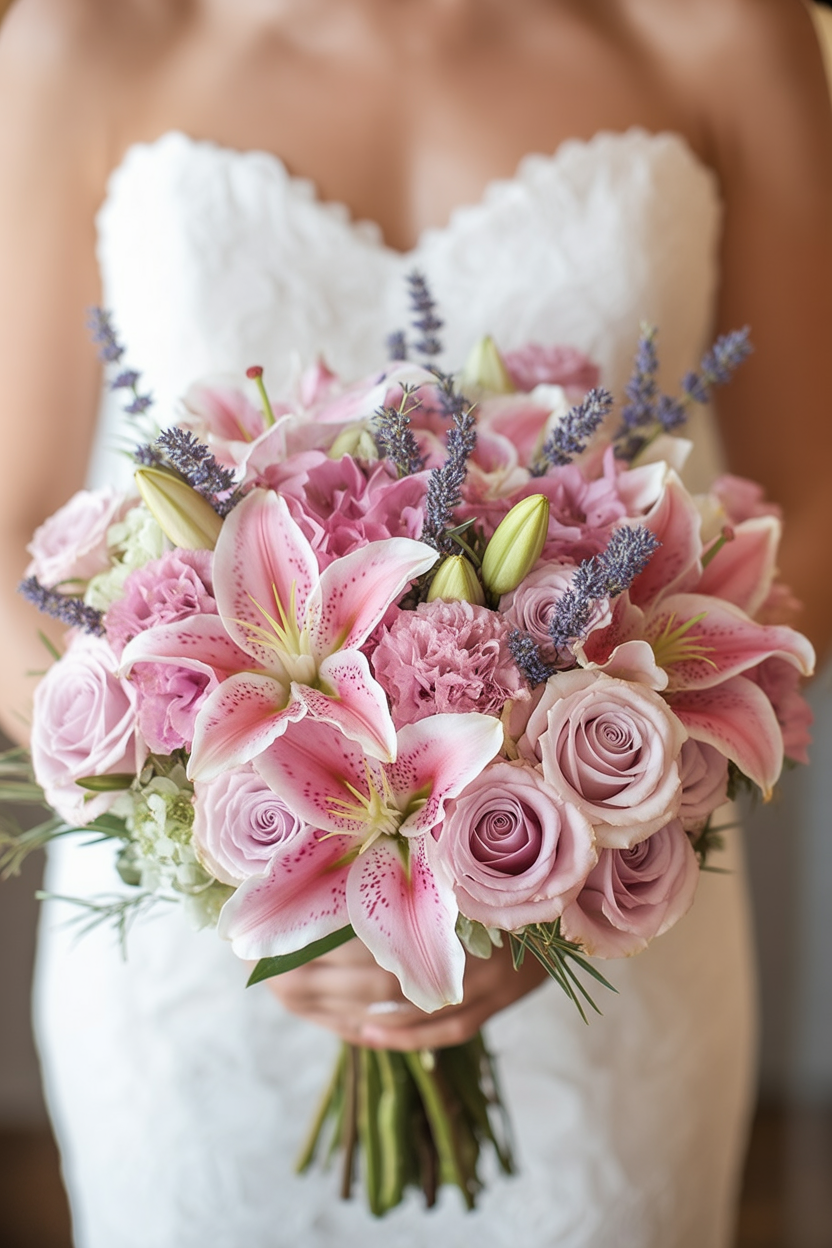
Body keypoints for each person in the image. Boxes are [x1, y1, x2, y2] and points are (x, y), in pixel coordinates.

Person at [0, 1, 831, 1245]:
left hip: (598, 950)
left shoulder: (720, 30)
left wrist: (547, 870)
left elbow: (813, 503)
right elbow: (8, 550)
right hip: (200, 970)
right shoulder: (78, 39)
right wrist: (199, 829)